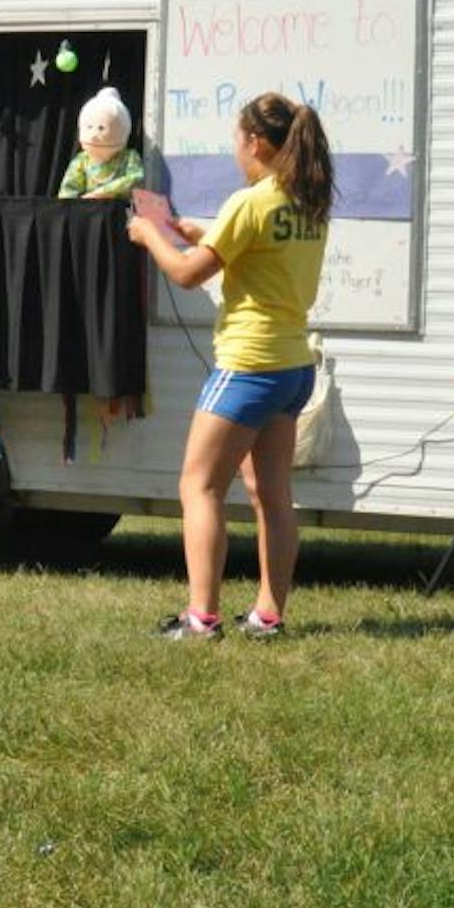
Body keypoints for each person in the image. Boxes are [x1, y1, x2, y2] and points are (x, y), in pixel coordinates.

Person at [127, 92, 335, 641]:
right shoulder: (308, 202)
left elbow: (189, 275)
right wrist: (199, 232)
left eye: (237, 142)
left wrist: (150, 235)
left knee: (199, 487)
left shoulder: (252, 201)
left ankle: (202, 619)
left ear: (257, 143)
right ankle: (268, 616)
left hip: (248, 365)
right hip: (293, 366)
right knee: (272, 494)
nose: (235, 152)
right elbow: (255, 252)